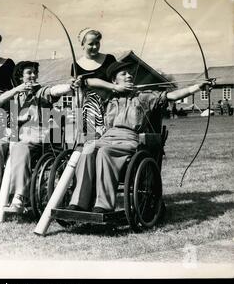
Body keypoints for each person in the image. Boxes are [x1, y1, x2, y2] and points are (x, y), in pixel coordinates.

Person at [67, 61, 212, 213]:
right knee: (87, 149)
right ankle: (79, 203)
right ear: (114, 81)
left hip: (129, 139)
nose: (129, 75)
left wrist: (198, 86)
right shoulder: (109, 97)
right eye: (123, 74)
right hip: (107, 137)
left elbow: (173, 96)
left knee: (104, 152)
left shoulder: (143, 96)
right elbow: (88, 83)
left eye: (129, 73)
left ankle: (103, 205)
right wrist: (81, 83)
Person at [0, 61, 77, 212]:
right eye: (29, 73)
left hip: (35, 135)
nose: (33, 75)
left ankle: (19, 197)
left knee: (20, 148)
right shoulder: (16, 95)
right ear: (20, 77)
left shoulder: (41, 92)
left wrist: (69, 86)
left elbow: (55, 91)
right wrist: (16, 90)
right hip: (15, 134)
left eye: (35, 72)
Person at [72, 28, 116, 140]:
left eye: (97, 43)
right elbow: (76, 89)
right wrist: (74, 83)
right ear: (82, 45)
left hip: (110, 103)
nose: (95, 47)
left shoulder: (109, 59)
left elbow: (117, 80)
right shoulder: (76, 65)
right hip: (90, 107)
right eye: (91, 44)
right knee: (92, 140)